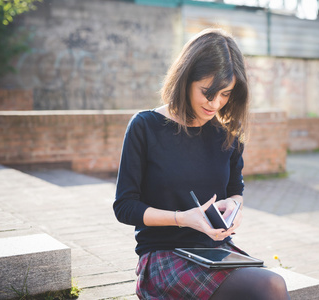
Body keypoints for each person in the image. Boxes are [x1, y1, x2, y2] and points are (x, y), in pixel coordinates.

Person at [113, 28, 290, 300]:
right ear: (185, 79)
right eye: (208, 92)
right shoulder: (145, 126)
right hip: (162, 256)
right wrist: (183, 219)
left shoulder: (227, 134)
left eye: (226, 94)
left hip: (215, 252)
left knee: (269, 285)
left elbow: (235, 191)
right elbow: (125, 207)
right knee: (270, 286)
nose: (216, 103)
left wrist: (234, 207)